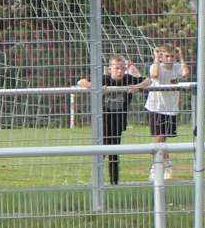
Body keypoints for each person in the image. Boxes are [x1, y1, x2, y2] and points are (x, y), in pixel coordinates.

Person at [77, 54, 145, 184]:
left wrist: (137, 87)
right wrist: (97, 88)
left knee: (114, 153)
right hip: (103, 122)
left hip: (118, 122)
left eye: (122, 68)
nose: (120, 71)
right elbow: (81, 82)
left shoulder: (128, 79)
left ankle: (114, 182)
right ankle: (96, 178)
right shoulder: (104, 79)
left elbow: (149, 81)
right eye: (116, 68)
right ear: (109, 69)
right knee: (101, 151)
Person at [145, 44, 186, 181]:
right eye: (167, 56)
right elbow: (155, 74)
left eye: (172, 56)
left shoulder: (176, 68)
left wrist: (181, 57)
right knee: (158, 139)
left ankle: (167, 165)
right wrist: (156, 58)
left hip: (170, 108)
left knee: (162, 140)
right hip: (155, 107)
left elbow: (185, 73)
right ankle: (157, 168)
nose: (169, 59)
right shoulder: (155, 66)